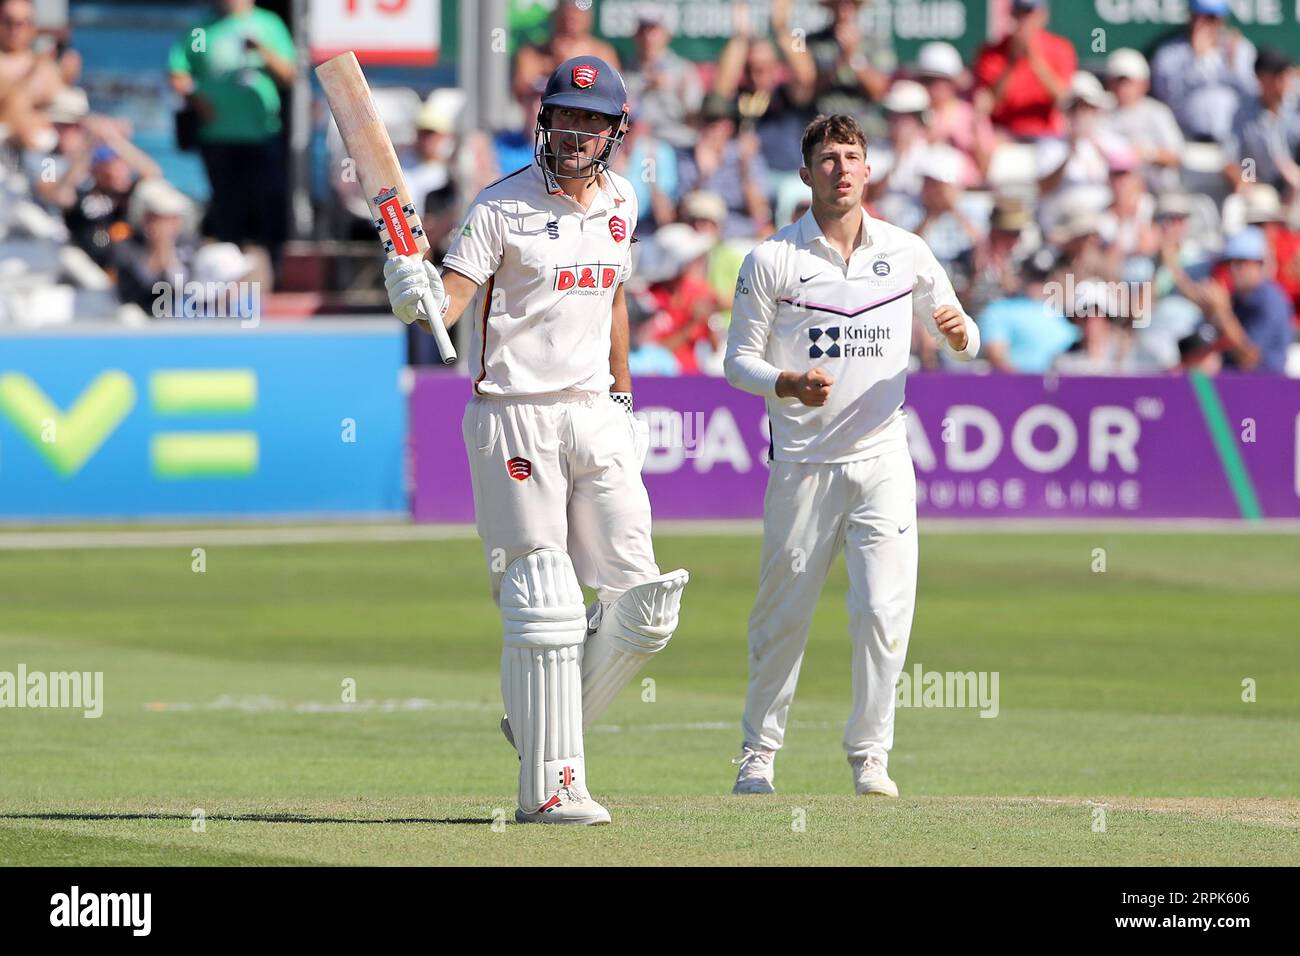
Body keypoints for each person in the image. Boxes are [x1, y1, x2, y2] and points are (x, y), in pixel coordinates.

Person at [382, 57, 689, 826]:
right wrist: (412, 295)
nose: (576, 131)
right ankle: (551, 789)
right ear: (543, 121)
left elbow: (615, 299)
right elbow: (445, 304)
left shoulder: (622, 199)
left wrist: (624, 398)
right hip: (515, 411)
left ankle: (543, 720)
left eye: (591, 120)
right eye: (565, 115)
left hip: (596, 412)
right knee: (544, 595)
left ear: (616, 132)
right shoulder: (498, 208)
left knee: (646, 606)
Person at [723, 114, 979, 798]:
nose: (841, 168)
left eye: (852, 156)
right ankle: (758, 755)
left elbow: (963, 332)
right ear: (805, 174)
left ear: (869, 170)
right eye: (828, 158)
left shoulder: (908, 251)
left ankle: (870, 755)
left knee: (882, 610)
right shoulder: (773, 258)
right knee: (782, 618)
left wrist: (961, 335)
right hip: (803, 464)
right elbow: (737, 363)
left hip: (883, 459)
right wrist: (786, 382)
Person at [168, 0, 295, 273]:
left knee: (270, 203)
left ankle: (277, 269)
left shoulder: (269, 24)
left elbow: (288, 74)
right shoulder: (202, 30)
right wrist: (195, 98)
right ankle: (229, 275)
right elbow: (178, 71)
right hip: (218, 136)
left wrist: (261, 48)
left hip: (263, 135)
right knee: (228, 207)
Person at [1150, 0, 1257, 144]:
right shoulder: (1169, 53)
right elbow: (1167, 98)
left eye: (1210, 17)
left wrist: (1233, 67)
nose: (1203, 23)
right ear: (1190, 16)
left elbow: (1253, 93)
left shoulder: (1240, 48)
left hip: (1233, 140)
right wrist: (1195, 61)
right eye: (1198, 16)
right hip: (1186, 139)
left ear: (1222, 19)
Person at [973, 0, 1075, 140]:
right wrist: (1011, 63)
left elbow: (1064, 99)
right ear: (1012, 15)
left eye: (1029, 13)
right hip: (1004, 134)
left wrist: (1034, 59)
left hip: (1047, 135)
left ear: (1043, 16)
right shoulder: (991, 53)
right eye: (1020, 13)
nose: (1025, 19)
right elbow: (988, 104)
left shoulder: (1061, 48)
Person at [1099, 48, 1184, 195]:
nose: (1122, 88)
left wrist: (1145, 154)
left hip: (1158, 192)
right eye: (1118, 82)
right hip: (1115, 194)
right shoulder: (1102, 114)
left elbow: (1176, 157)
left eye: (1127, 82)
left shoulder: (1157, 113)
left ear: (1144, 84)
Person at [1223, 47, 1300, 198]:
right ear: (1261, 78)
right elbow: (1239, 156)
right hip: (1261, 188)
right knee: (1257, 201)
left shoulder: (1295, 108)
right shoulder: (1244, 114)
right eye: (1278, 75)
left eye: (1286, 74)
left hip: (1295, 187)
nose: (1285, 79)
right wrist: (1250, 182)